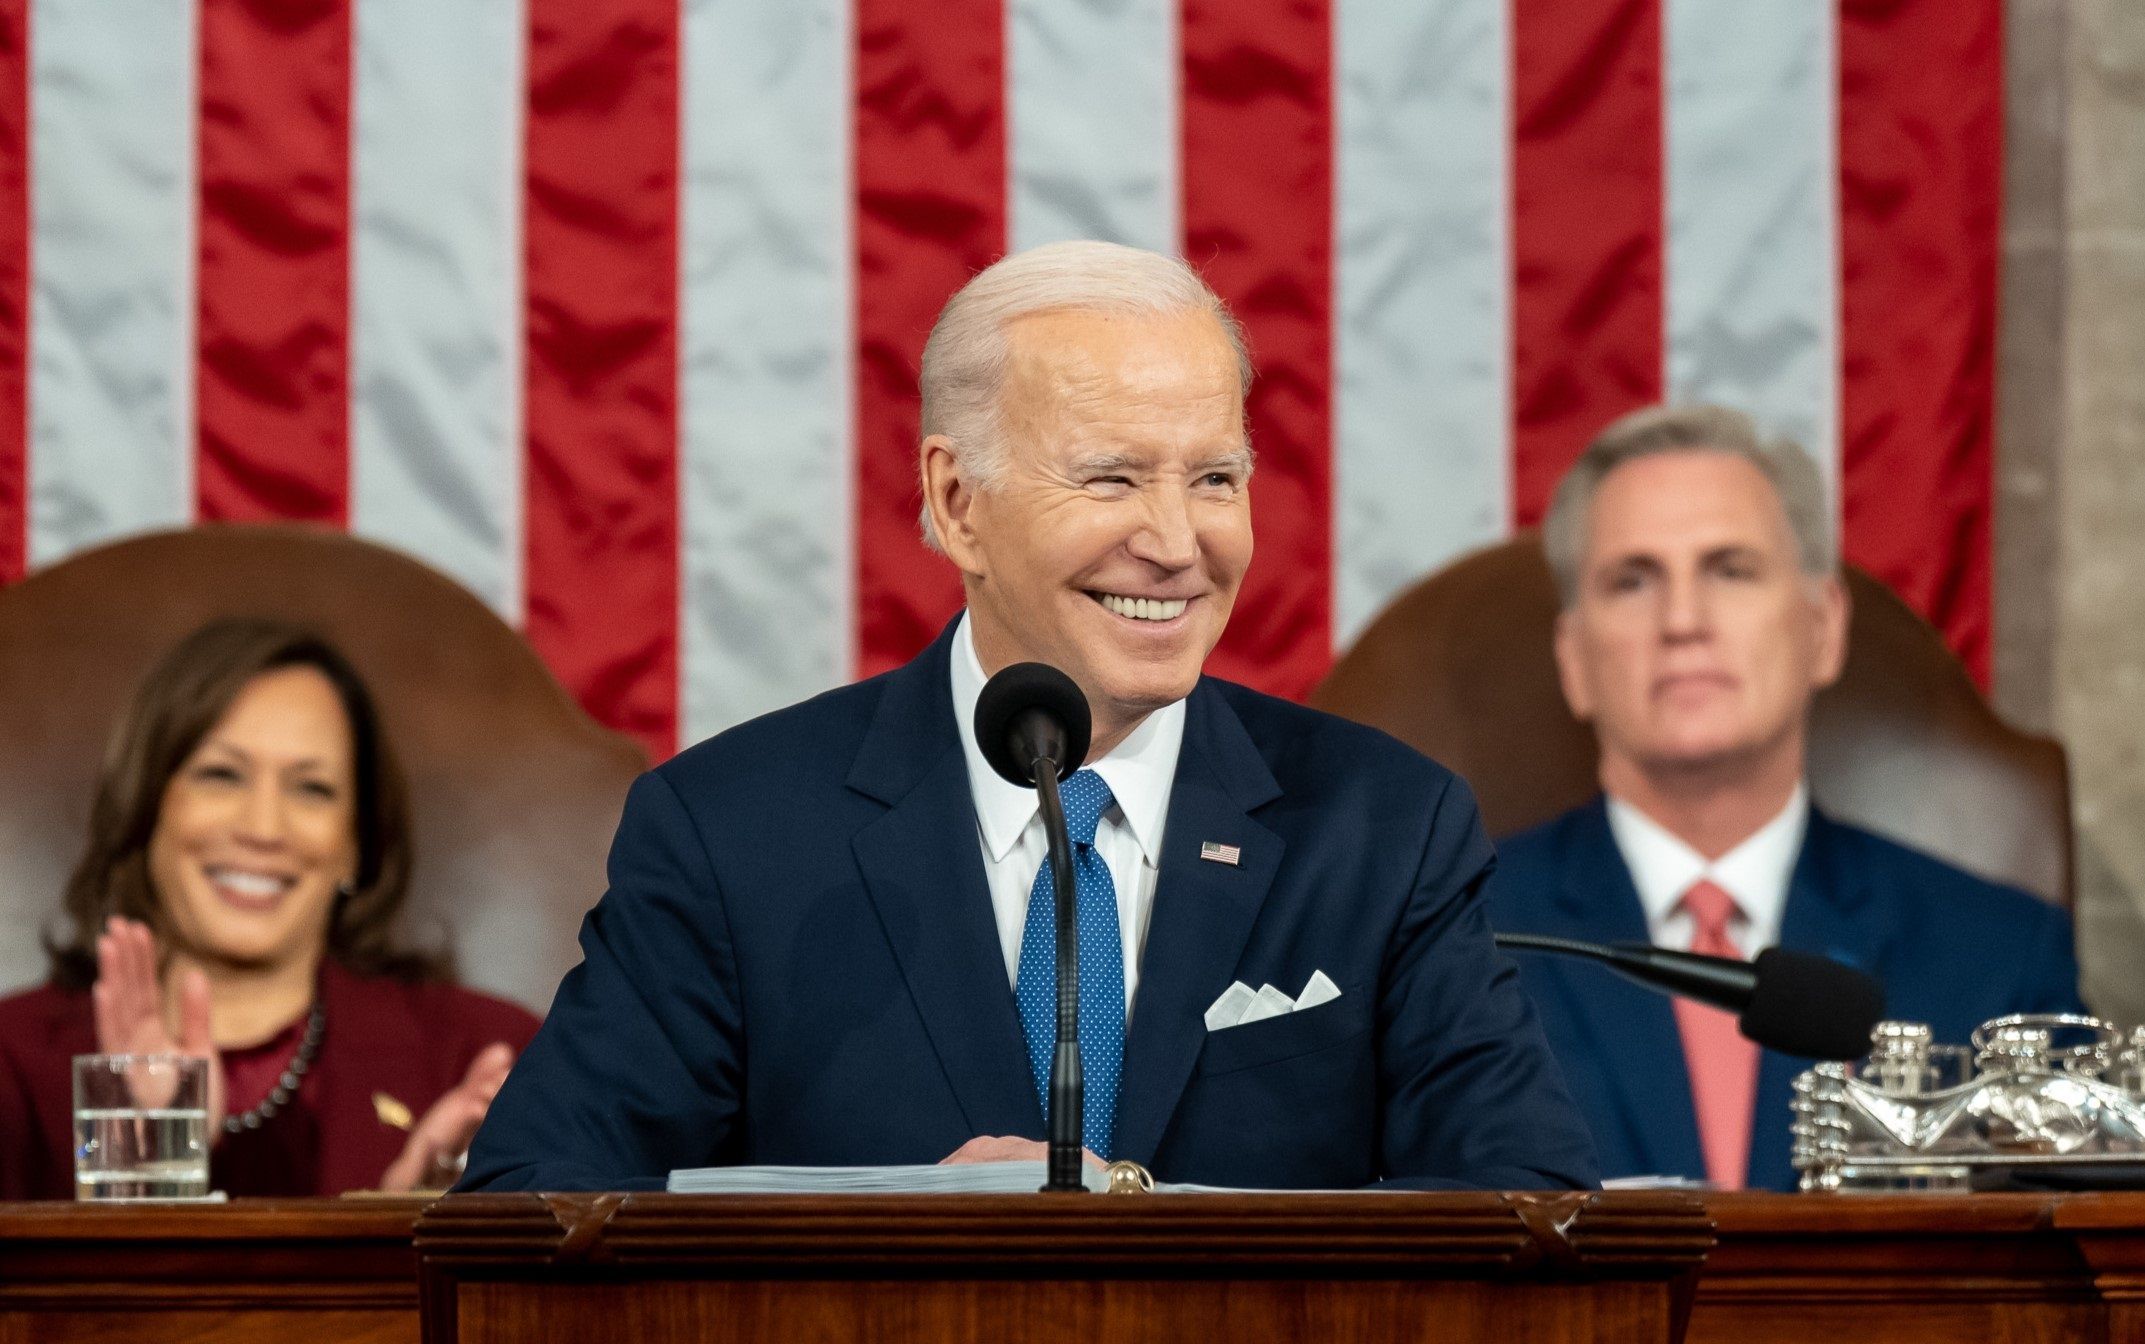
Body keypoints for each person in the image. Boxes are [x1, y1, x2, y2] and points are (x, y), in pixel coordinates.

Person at [464, 240, 1597, 1192]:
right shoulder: (733, 835)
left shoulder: (1386, 832)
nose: (1175, 540)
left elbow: (1530, 1216)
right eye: (1111, 479)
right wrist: (885, 1256)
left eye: (1214, 477)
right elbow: (533, 1213)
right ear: (959, 504)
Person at [1487, 404, 2085, 1192]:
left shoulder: (1997, 956)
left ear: (1823, 626)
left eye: (1729, 569)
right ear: (1572, 657)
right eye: (1632, 580)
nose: (1682, 621)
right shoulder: (1456, 937)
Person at [0, 619, 541, 1198]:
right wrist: (144, 1166)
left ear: (356, 841)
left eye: (312, 788)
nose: (263, 828)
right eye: (221, 775)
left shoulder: (481, 1055)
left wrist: (415, 1241)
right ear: (145, 807)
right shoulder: (14, 1062)